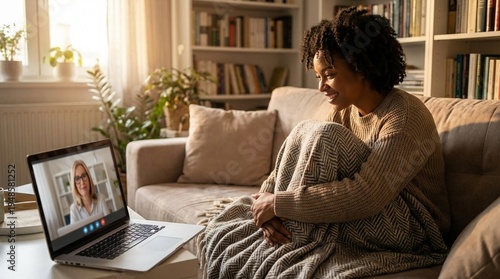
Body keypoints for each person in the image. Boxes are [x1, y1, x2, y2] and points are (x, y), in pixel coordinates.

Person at [200, 7, 450, 279]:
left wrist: (279, 205)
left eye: (329, 74)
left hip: (412, 229)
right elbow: (296, 157)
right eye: (319, 77)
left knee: (323, 135)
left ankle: (292, 240)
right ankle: (286, 231)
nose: (321, 87)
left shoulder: (404, 116)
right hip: (370, 214)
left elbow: (366, 195)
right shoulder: (344, 109)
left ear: (361, 66)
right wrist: (266, 207)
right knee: (305, 135)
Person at [69, 160, 110, 224]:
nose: (82, 182)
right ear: (74, 185)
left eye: (84, 176)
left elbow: (109, 224)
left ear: (89, 178)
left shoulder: (101, 198)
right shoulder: (74, 209)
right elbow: (75, 234)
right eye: (77, 179)